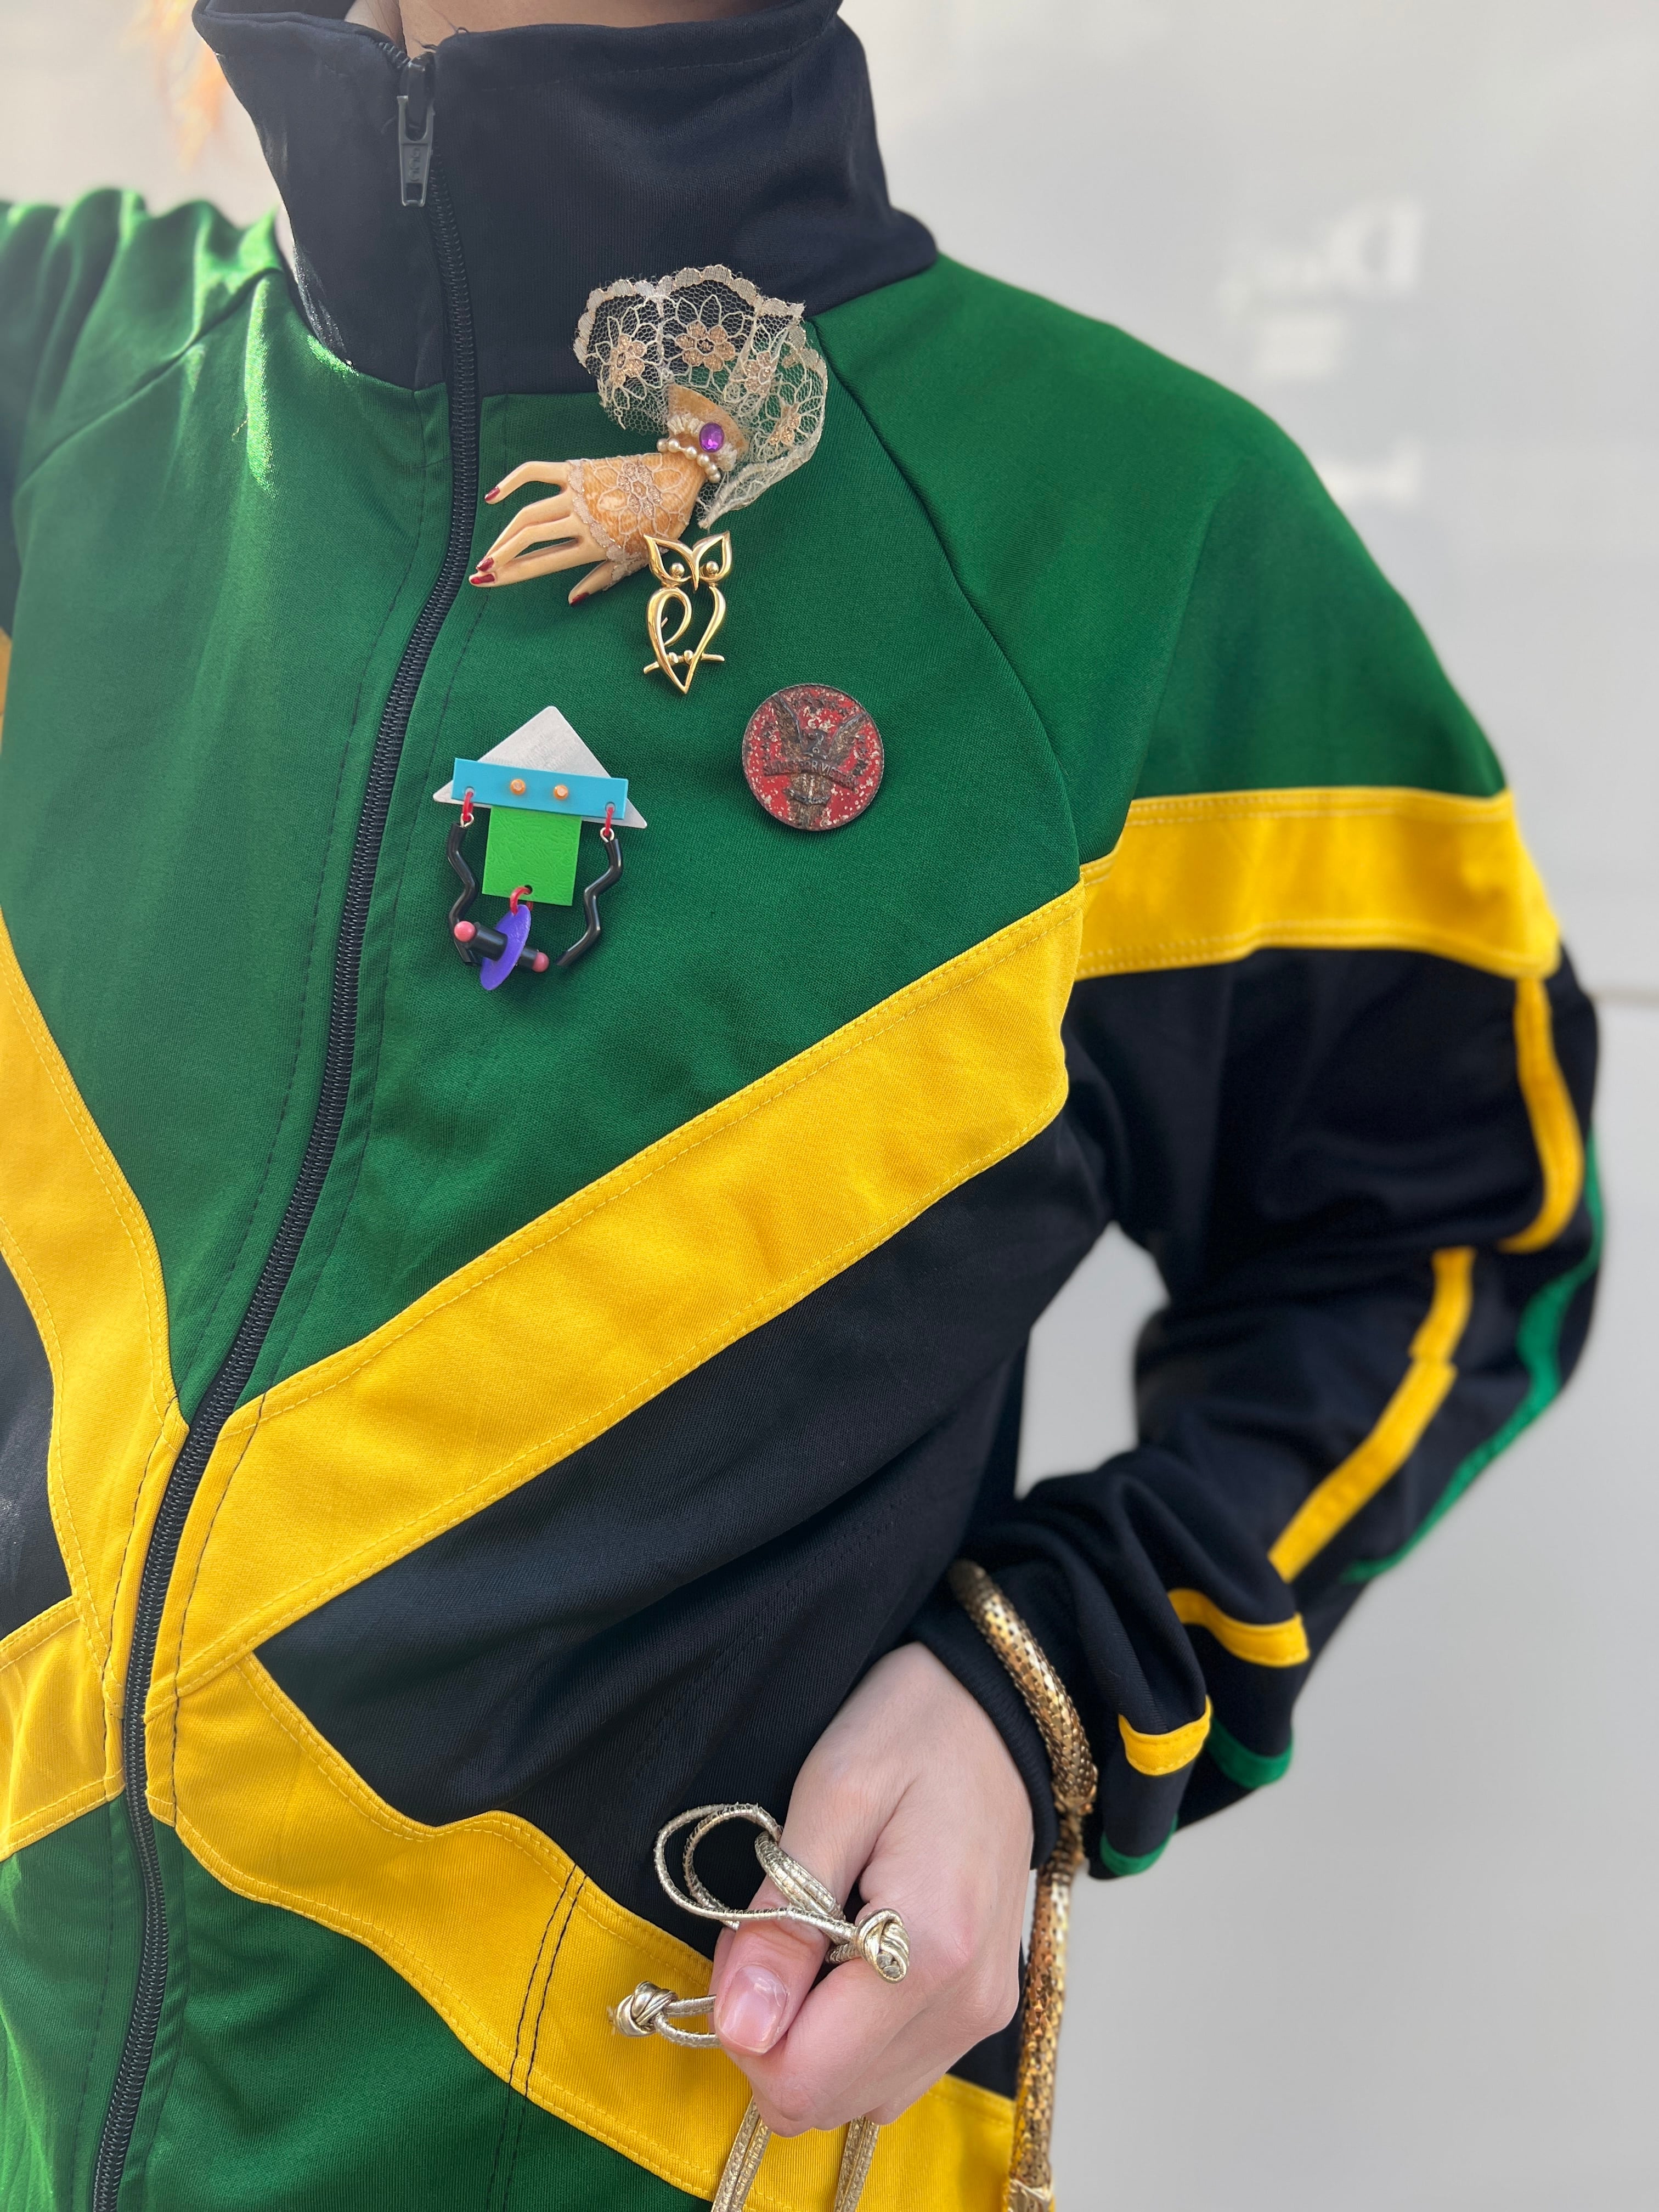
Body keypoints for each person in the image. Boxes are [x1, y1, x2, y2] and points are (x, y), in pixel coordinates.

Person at [0, 2, 1599, 2208]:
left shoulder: (1126, 536)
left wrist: (1042, 1683)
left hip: (652, 2127)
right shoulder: (56, 376)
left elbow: (1446, 1213)